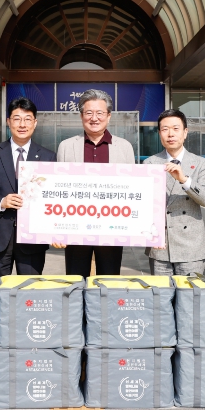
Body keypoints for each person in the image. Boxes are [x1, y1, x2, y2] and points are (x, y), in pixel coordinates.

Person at [53, 89, 136, 277]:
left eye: (100, 113)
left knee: (109, 279)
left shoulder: (124, 147)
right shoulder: (66, 146)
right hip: (75, 226)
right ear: (81, 115)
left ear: (109, 116)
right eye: (89, 113)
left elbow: (132, 188)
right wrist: (57, 229)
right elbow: (58, 189)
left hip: (112, 227)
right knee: (75, 280)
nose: (94, 118)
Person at [0, 97, 56, 276]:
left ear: (35, 123)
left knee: (29, 289)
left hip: (33, 239)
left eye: (27, 119)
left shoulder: (48, 157)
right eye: (17, 119)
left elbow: (53, 197)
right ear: (8, 122)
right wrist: (1, 201)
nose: (22, 124)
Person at [144, 109, 205, 275]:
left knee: (190, 292)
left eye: (176, 128)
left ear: (185, 132)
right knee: (161, 291)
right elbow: (144, 205)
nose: (170, 134)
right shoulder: (150, 163)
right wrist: (152, 235)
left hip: (191, 248)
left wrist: (184, 179)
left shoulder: (200, 163)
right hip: (160, 246)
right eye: (165, 129)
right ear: (159, 133)